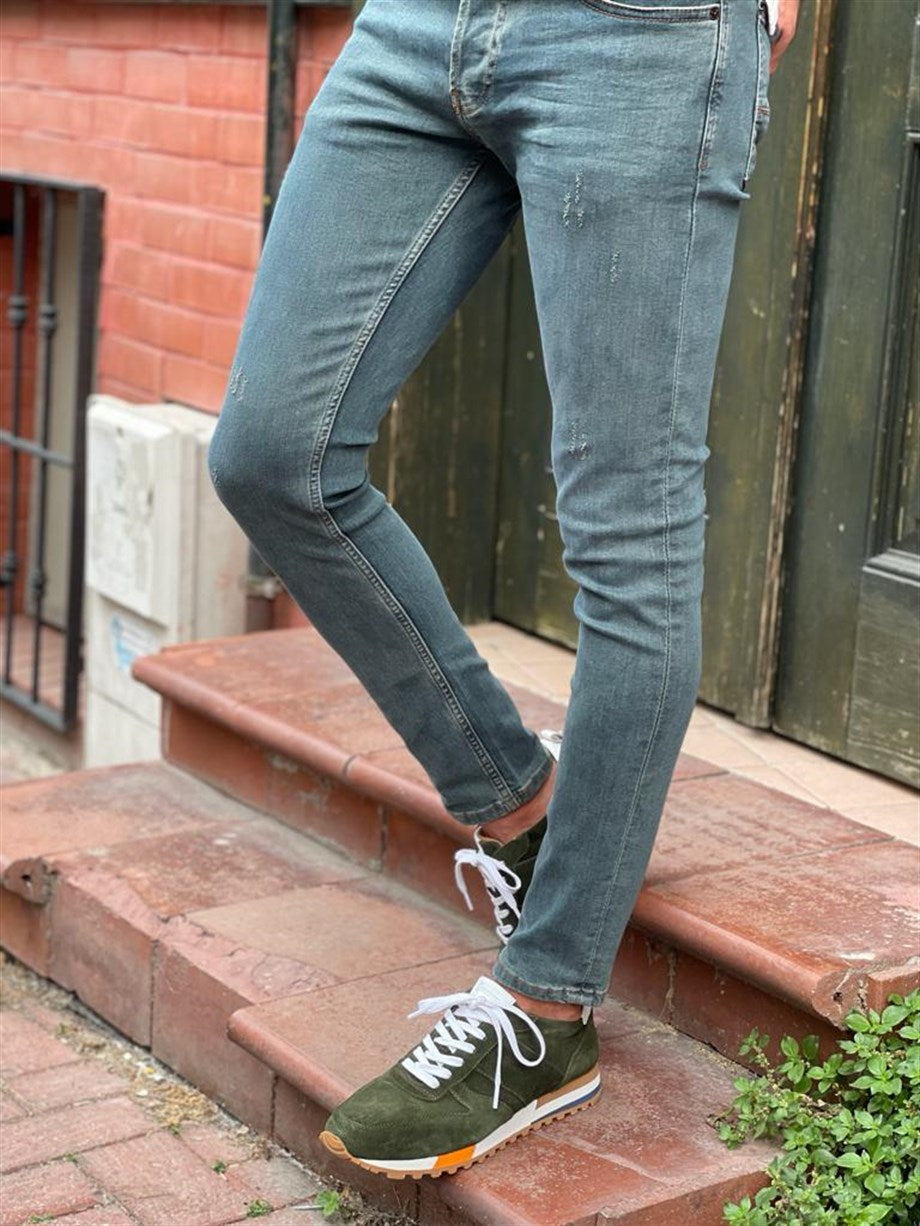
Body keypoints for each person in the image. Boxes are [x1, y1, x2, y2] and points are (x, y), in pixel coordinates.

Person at [207, 0, 800, 1181]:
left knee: (628, 535)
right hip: (420, 25)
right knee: (272, 455)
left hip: (641, 39)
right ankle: (518, 804)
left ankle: (547, 1005)